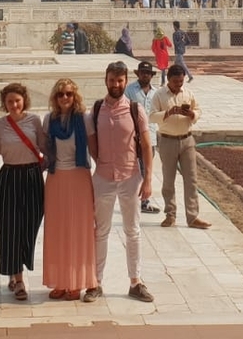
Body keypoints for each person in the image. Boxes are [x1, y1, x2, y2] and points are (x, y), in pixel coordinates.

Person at [84, 61, 154, 303]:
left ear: (126, 81)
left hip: (130, 177)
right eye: (112, 80)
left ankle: (136, 281)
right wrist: (104, 163)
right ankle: (96, 282)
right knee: (100, 231)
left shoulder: (135, 110)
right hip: (103, 178)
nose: (116, 84)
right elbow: (92, 146)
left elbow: (146, 145)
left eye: (120, 80)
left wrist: (147, 181)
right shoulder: (94, 111)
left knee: (132, 231)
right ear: (106, 80)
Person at [0, 82, 46, 301]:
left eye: (17, 100)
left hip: (32, 177)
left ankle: (17, 267)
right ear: (4, 103)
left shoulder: (35, 121)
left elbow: (44, 147)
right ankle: (18, 278)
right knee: (10, 228)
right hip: (9, 177)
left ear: (24, 101)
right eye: (9, 101)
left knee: (30, 225)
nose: (13, 105)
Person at [42, 78, 96, 301]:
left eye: (69, 94)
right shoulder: (49, 120)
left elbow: (93, 149)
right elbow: (45, 150)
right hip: (56, 179)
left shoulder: (84, 119)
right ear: (55, 98)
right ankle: (61, 282)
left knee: (78, 231)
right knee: (57, 231)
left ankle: (77, 282)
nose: (65, 98)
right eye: (60, 94)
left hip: (79, 178)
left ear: (75, 97)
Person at [150, 64, 210, 229]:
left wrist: (192, 114)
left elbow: (198, 110)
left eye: (181, 81)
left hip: (187, 140)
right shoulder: (159, 95)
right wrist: (169, 112)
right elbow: (152, 116)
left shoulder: (188, 93)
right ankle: (170, 214)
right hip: (168, 141)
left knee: (191, 180)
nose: (179, 84)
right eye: (176, 81)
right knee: (168, 180)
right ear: (168, 79)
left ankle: (193, 217)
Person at [125, 61, 161, 215]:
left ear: (151, 75)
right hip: (133, 137)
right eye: (142, 72)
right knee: (137, 170)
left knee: (146, 169)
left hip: (151, 137)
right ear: (138, 74)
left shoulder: (156, 93)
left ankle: (142, 200)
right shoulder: (130, 91)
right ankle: (139, 201)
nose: (145, 75)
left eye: (148, 73)